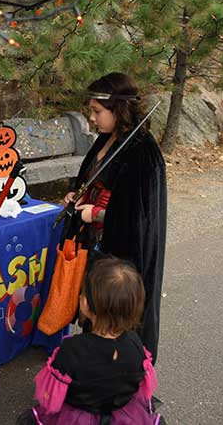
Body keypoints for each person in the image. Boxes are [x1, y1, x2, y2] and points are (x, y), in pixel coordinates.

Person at [61, 72, 167, 362]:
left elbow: (139, 217)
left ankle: (122, 375)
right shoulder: (106, 139)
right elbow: (90, 178)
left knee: (115, 317)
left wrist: (95, 213)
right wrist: (76, 194)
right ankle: (93, 365)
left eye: (97, 111)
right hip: (97, 249)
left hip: (123, 258)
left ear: (117, 109)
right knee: (95, 312)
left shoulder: (142, 151)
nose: (92, 118)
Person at [25, 258, 159, 424]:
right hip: (126, 417)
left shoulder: (72, 349)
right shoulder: (135, 344)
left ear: (86, 303)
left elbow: (51, 397)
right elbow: (139, 390)